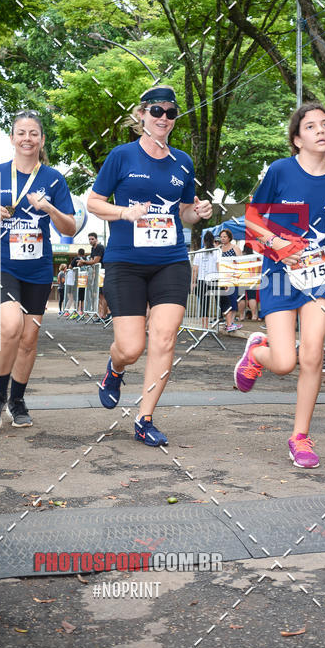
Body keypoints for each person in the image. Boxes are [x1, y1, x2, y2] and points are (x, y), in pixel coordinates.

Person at [87, 84, 212, 447]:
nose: (164, 118)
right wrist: (125, 212)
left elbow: (185, 212)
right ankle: (115, 369)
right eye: (156, 111)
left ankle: (145, 418)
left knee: (164, 338)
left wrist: (198, 212)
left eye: (170, 113)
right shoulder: (122, 156)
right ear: (142, 114)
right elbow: (94, 203)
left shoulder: (183, 162)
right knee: (130, 347)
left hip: (170, 260)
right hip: (126, 261)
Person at [234, 102, 325, 469]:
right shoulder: (281, 171)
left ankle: (300, 437)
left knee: (313, 354)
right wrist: (278, 245)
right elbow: (252, 219)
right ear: (297, 138)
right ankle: (257, 353)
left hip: (317, 277)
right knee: (285, 362)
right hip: (280, 275)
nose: (321, 130)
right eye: (311, 126)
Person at [0, 111, 76, 431]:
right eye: (21, 132)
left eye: (34, 133)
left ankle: (16, 401)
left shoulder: (54, 179)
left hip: (37, 268)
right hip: (0, 263)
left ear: (42, 139)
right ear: (12, 138)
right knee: (10, 326)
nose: (27, 138)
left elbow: (70, 227)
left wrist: (48, 207)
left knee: (30, 338)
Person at [191, 230, 220, 327]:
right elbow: (218, 266)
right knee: (220, 301)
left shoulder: (199, 252)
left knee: (204, 303)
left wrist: (193, 282)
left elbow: (195, 269)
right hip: (214, 279)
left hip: (202, 280)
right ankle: (222, 322)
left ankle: (205, 326)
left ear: (203, 241)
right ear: (213, 241)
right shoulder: (217, 252)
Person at [78, 231, 108, 320]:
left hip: (103, 273)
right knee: (98, 296)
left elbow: (95, 261)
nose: (90, 241)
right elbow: (91, 261)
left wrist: (83, 262)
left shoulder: (99, 247)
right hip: (97, 274)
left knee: (103, 296)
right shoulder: (93, 249)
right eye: (89, 239)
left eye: (92, 239)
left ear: (96, 239)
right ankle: (101, 314)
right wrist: (85, 263)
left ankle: (105, 315)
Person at [217, 228, 242, 332]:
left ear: (229, 238)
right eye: (221, 237)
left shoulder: (235, 248)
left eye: (225, 237)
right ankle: (229, 323)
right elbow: (217, 263)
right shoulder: (218, 249)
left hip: (234, 277)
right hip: (223, 277)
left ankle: (231, 323)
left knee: (233, 298)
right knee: (225, 299)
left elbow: (241, 262)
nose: (222, 239)